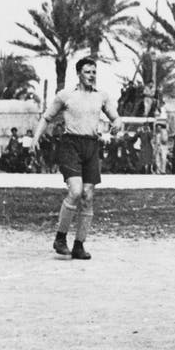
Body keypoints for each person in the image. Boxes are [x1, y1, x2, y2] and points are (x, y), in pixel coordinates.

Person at [31, 57, 121, 260]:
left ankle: (79, 245)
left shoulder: (102, 96)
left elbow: (115, 117)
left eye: (94, 72)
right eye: (88, 72)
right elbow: (46, 117)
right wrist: (35, 138)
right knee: (76, 191)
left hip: (91, 145)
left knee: (88, 196)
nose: (92, 75)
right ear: (79, 73)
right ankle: (60, 238)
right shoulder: (65, 95)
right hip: (70, 145)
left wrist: (118, 123)